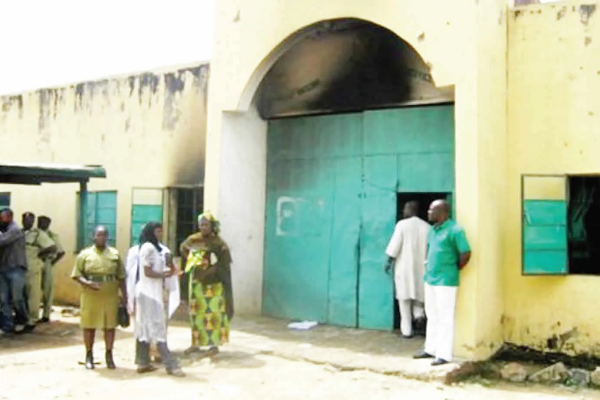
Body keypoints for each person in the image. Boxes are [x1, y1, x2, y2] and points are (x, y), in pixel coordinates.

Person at [414, 200, 471, 366]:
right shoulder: (432, 230)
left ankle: (444, 354)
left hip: (446, 280)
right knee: (431, 315)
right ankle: (430, 349)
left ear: (442, 211)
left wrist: (453, 268)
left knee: (445, 317)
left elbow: (465, 253)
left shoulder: (455, 230)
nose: (428, 212)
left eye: (432, 209)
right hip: (430, 278)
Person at [131, 222, 185, 376]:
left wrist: (171, 269)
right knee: (157, 327)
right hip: (148, 292)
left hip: (152, 292)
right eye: (157, 231)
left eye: (161, 231)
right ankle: (171, 364)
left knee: (144, 326)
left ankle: (142, 362)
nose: (160, 234)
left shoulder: (158, 249)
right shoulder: (147, 248)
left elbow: (167, 266)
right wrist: (164, 275)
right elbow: (147, 272)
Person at [71, 226, 127, 370]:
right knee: (89, 325)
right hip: (90, 293)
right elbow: (76, 275)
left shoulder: (114, 254)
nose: (101, 237)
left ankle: (109, 355)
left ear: (107, 237)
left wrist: (124, 297)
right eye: (98, 235)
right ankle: (89, 355)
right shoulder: (84, 255)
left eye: (104, 235)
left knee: (110, 326)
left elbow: (121, 277)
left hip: (110, 293)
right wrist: (88, 283)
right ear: (93, 237)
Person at [180, 212, 233, 357]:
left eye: (206, 225)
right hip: (197, 283)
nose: (203, 227)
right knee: (196, 313)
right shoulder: (193, 240)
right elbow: (183, 248)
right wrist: (193, 260)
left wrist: (210, 270)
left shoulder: (218, 243)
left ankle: (213, 345)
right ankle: (195, 343)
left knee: (213, 315)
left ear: (212, 226)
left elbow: (225, 262)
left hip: (214, 285)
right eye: (201, 225)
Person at [384, 201, 430, 338]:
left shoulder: (402, 225)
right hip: (422, 269)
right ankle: (419, 317)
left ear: (409, 210)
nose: (403, 212)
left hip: (404, 270)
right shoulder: (427, 227)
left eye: (405, 209)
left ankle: (407, 331)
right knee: (419, 299)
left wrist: (388, 262)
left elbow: (394, 246)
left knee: (404, 301)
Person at [22, 212, 56, 330]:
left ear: (33, 221)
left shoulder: (38, 234)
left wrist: (39, 255)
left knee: (33, 294)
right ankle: (23, 317)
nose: (27, 222)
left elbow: (53, 247)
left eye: (30, 220)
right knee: (22, 294)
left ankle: (33, 319)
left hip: (33, 268)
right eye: (25, 219)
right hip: (20, 268)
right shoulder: (20, 233)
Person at [0, 209, 28, 334]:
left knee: (17, 297)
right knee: (3, 299)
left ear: (9, 217)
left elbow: (2, 241)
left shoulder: (15, 230)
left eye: (2, 218)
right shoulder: (5, 231)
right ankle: (7, 325)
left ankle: (22, 320)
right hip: (4, 268)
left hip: (16, 268)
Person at [38, 216, 65, 323]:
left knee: (47, 289)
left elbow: (61, 252)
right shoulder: (34, 234)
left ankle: (46, 314)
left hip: (47, 262)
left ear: (48, 224)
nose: (42, 224)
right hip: (35, 262)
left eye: (44, 222)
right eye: (40, 222)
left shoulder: (52, 235)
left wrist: (52, 263)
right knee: (33, 290)